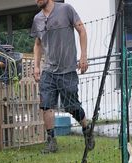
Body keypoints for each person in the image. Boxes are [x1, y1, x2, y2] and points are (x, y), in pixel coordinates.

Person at [30, 0, 94, 154]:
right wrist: (37, 66)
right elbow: (38, 44)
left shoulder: (66, 9)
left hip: (67, 69)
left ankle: (86, 129)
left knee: (71, 106)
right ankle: (51, 141)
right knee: (46, 105)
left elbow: (81, 30)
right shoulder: (37, 19)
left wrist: (83, 56)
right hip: (49, 71)